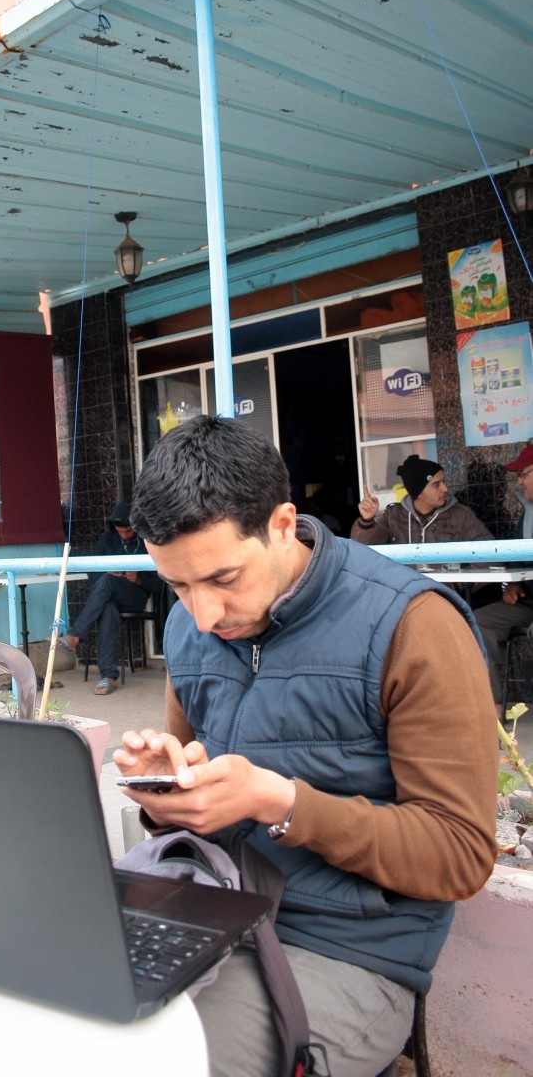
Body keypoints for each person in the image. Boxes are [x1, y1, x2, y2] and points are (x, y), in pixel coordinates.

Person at [114, 416, 496, 1077]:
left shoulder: (412, 624)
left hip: (347, 949)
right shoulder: (190, 624)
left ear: (284, 524)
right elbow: (188, 769)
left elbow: (460, 854)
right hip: (208, 905)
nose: (202, 616)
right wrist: (163, 793)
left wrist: (284, 804)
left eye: (224, 579)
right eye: (177, 585)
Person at [59, 500, 163, 695]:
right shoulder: (108, 539)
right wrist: (111, 573)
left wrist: (138, 579)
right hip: (110, 594)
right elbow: (93, 572)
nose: (123, 536)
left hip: (136, 597)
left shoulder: (147, 542)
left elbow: (160, 584)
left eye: (128, 532)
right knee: (107, 607)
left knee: (107, 583)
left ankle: (75, 634)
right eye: (120, 531)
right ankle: (109, 676)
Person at [474, 443, 533, 715]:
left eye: (524, 473)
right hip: (528, 604)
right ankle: (495, 709)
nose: (519, 481)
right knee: (479, 621)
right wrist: (513, 584)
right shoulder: (526, 513)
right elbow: (519, 563)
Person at [350, 453, 493, 546]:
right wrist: (367, 521)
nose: (445, 489)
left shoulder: (461, 515)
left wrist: (458, 584)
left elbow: (490, 552)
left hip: (444, 593)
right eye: (436, 485)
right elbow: (362, 549)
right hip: (405, 591)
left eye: (443, 482)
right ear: (418, 493)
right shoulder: (392, 516)